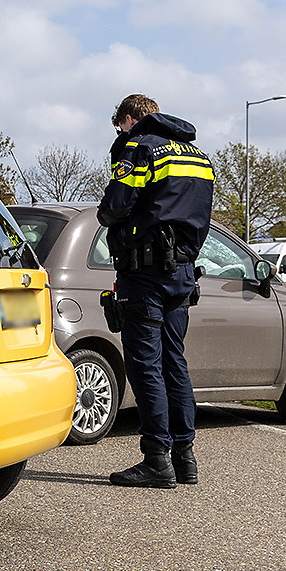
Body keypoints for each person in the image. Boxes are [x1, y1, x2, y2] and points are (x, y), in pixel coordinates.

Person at [97, 94, 214, 488]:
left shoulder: (140, 148)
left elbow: (115, 206)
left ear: (129, 119)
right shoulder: (198, 156)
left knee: (145, 365)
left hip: (144, 273)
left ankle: (155, 460)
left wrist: (111, 216)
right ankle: (185, 458)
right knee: (173, 362)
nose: (120, 132)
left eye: (119, 125)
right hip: (182, 271)